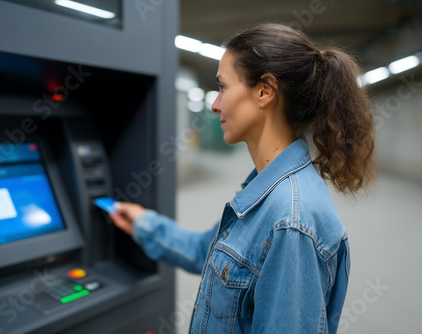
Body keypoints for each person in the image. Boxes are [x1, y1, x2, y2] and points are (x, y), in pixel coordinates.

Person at [110, 22, 376, 334]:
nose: (214, 104)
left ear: (265, 91)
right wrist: (144, 223)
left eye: (223, 87)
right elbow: (203, 251)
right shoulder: (263, 191)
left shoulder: (291, 221)